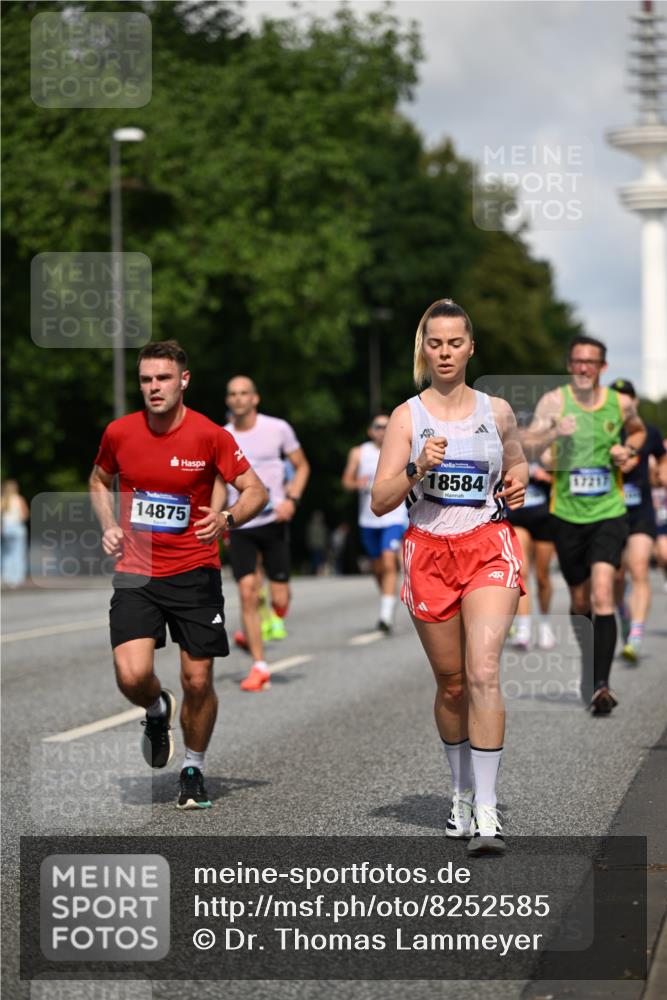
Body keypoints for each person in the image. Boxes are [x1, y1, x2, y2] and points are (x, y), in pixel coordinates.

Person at [372, 298, 528, 856]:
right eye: (434, 343)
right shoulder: (408, 417)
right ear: (424, 349)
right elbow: (380, 500)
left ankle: (487, 813)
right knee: (453, 683)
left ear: (470, 348)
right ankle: (460, 792)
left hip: (488, 546)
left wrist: (517, 482)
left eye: (454, 342)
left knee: (483, 669)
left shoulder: (498, 410)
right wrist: (419, 466)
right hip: (429, 553)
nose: (444, 352)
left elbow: (515, 462)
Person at [90, 341, 267, 809]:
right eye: (146, 379)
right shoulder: (120, 433)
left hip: (194, 571)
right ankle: (155, 708)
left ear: (182, 380)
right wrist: (109, 524)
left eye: (162, 378)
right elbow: (97, 478)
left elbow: (256, 490)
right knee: (131, 674)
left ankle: (193, 767)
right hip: (136, 571)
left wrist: (227, 519)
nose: (153, 387)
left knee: (197, 680)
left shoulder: (210, 435)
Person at [520, 336, 646, 716]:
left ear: (603, 367)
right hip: (566, 515)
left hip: (609, 511)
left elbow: (637, 431)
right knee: (579, 600)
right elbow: (527, 445)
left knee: (603, 591)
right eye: (577, 361)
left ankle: (600, 684)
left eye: (591, 362)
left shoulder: (619, 403)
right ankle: (589, 664)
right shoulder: (554, 402)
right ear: (570, 365)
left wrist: (629, 452)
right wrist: (554, 432)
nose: (584, 368)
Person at [223, 376, 310, 691]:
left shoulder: (278, 428)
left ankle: (267, 617)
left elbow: (302, 466)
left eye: (244, 393)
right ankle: (259, 665)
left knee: (279, 599)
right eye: (233, 394)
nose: (238, 398)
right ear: (228, 400)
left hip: (274, 519)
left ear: (255, 398)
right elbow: (218, 480)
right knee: (246, 591)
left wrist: (292, 499)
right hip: (240, 522)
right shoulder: (223, 436)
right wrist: (218, 516)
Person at [608, 379, 667, 662]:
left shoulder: (650, 432)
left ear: (635, 401)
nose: (622, 402)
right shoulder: (603, 431)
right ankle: (625, 615)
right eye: (616, 398)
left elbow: (662, 457)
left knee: (639, 567)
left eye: (626, 397)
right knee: (616, 577)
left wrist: (663, 473)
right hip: (610, 513)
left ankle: (636, 636)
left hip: (641, 512)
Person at [342, 415, 409, 632]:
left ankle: (385, 616)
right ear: (371, 431)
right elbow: (346, 481)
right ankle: (387, 600)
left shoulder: (402, 449)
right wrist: (356, 484)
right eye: (378, 427)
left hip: (394, 517)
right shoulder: (359, 452)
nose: (382, 430)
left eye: (386, 426)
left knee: (389, 562)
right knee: (378, 567)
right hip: (368, 519)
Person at [506, 461, 556, 650]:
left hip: (545, 518)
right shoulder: (509, 441)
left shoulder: (548, 445)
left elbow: (565, 479)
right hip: (517, 516)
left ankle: (545, 625)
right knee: (521, 571)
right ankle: (524, 630)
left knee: (542, 577)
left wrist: (547, 475)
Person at [1, 480, 29, 587]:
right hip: (17, 528)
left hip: (6, 528)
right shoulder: (19, 499)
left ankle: (6, 576)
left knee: (6, 553)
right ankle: (17, 578)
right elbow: (25, 514)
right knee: (18, 553)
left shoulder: (3, 500)